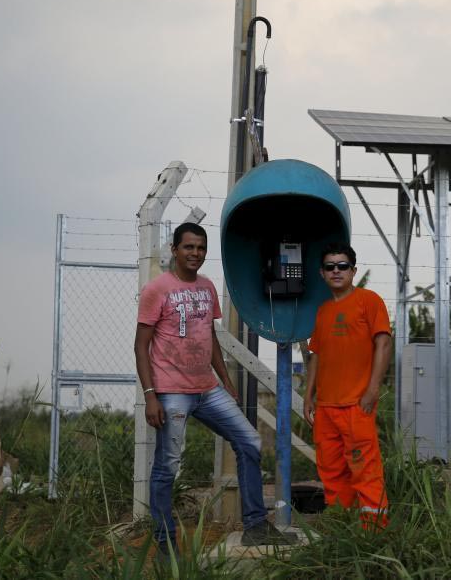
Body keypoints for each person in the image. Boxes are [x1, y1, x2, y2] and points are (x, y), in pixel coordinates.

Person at [135, 222, 294, 559]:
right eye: (189, 247)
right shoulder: (157, 289)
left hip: (207, 389)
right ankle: (167, 544)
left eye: (201, 248)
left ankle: (254, 523)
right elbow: (140, 346)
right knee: (168, 464)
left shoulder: (207, 289)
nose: (195, 253)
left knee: (249, 441)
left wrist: (226, 380)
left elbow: (209, 338)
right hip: (171, 392)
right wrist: (150, 395)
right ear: (175, 249)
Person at [303, 243, 393, 530]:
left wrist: (372, 389)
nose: (336, 271)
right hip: (326, 409)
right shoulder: (323, 312)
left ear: (353, 270)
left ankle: (374, 533)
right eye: (330, 266)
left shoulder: (369, 300)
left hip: (357, 405)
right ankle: (342, 531)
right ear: (322, 273)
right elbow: (316, 355)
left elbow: (384, 342)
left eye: (342, 266)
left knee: (365, 472)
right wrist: (308, 396)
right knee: (332, 474)